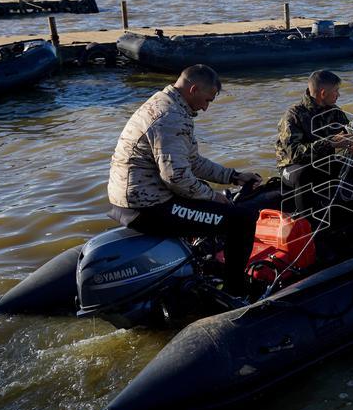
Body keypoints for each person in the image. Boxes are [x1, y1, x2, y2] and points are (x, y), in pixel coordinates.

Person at [107, 64, 263, 295]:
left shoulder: (163, 103)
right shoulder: (171, 118)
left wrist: (233, 176)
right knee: (242, 220)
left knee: (209, 202)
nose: (206, 108)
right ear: (194, 89)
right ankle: (236, 290)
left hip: (131, 200)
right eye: (207, 100)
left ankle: (202, 269)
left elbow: (192, 162)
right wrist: (214, 197)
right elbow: (177, 177)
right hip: (148, 207)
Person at [275, 70, 353, 214]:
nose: (338, 95)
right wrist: (330, 143)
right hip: (291, 167)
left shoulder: (335, 112)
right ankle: (307, 222)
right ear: (323, 93)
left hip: (322, 162)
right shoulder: (293, 116)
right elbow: (296, 155)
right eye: (336, 91)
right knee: (302, 174)